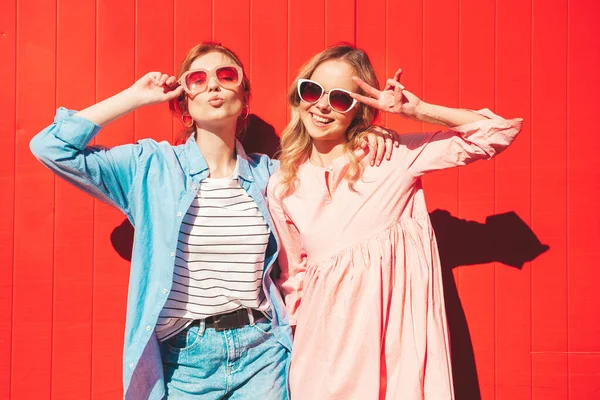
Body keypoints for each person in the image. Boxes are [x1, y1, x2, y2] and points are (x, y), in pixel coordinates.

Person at [29, 42, 394, 400]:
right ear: (184, 103)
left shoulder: (275, 177)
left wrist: (365, 134)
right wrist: (135, 96)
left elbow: (332, 169)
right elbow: (51, 147)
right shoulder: (150, 168)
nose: (213, 85)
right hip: (185, 361)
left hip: (262, 353)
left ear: (245, 98)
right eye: (198, 79)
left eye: (225, 75)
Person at [267, 44, 523, 399]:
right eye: (312, 90)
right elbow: (294, 275)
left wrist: (417, 111)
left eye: (340, 98)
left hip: (393, 347)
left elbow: (496, 133)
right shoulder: (283, 183)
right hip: (322, 352)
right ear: (299, 95)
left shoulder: (392, 156)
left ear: (359, 111)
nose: (322, 105)